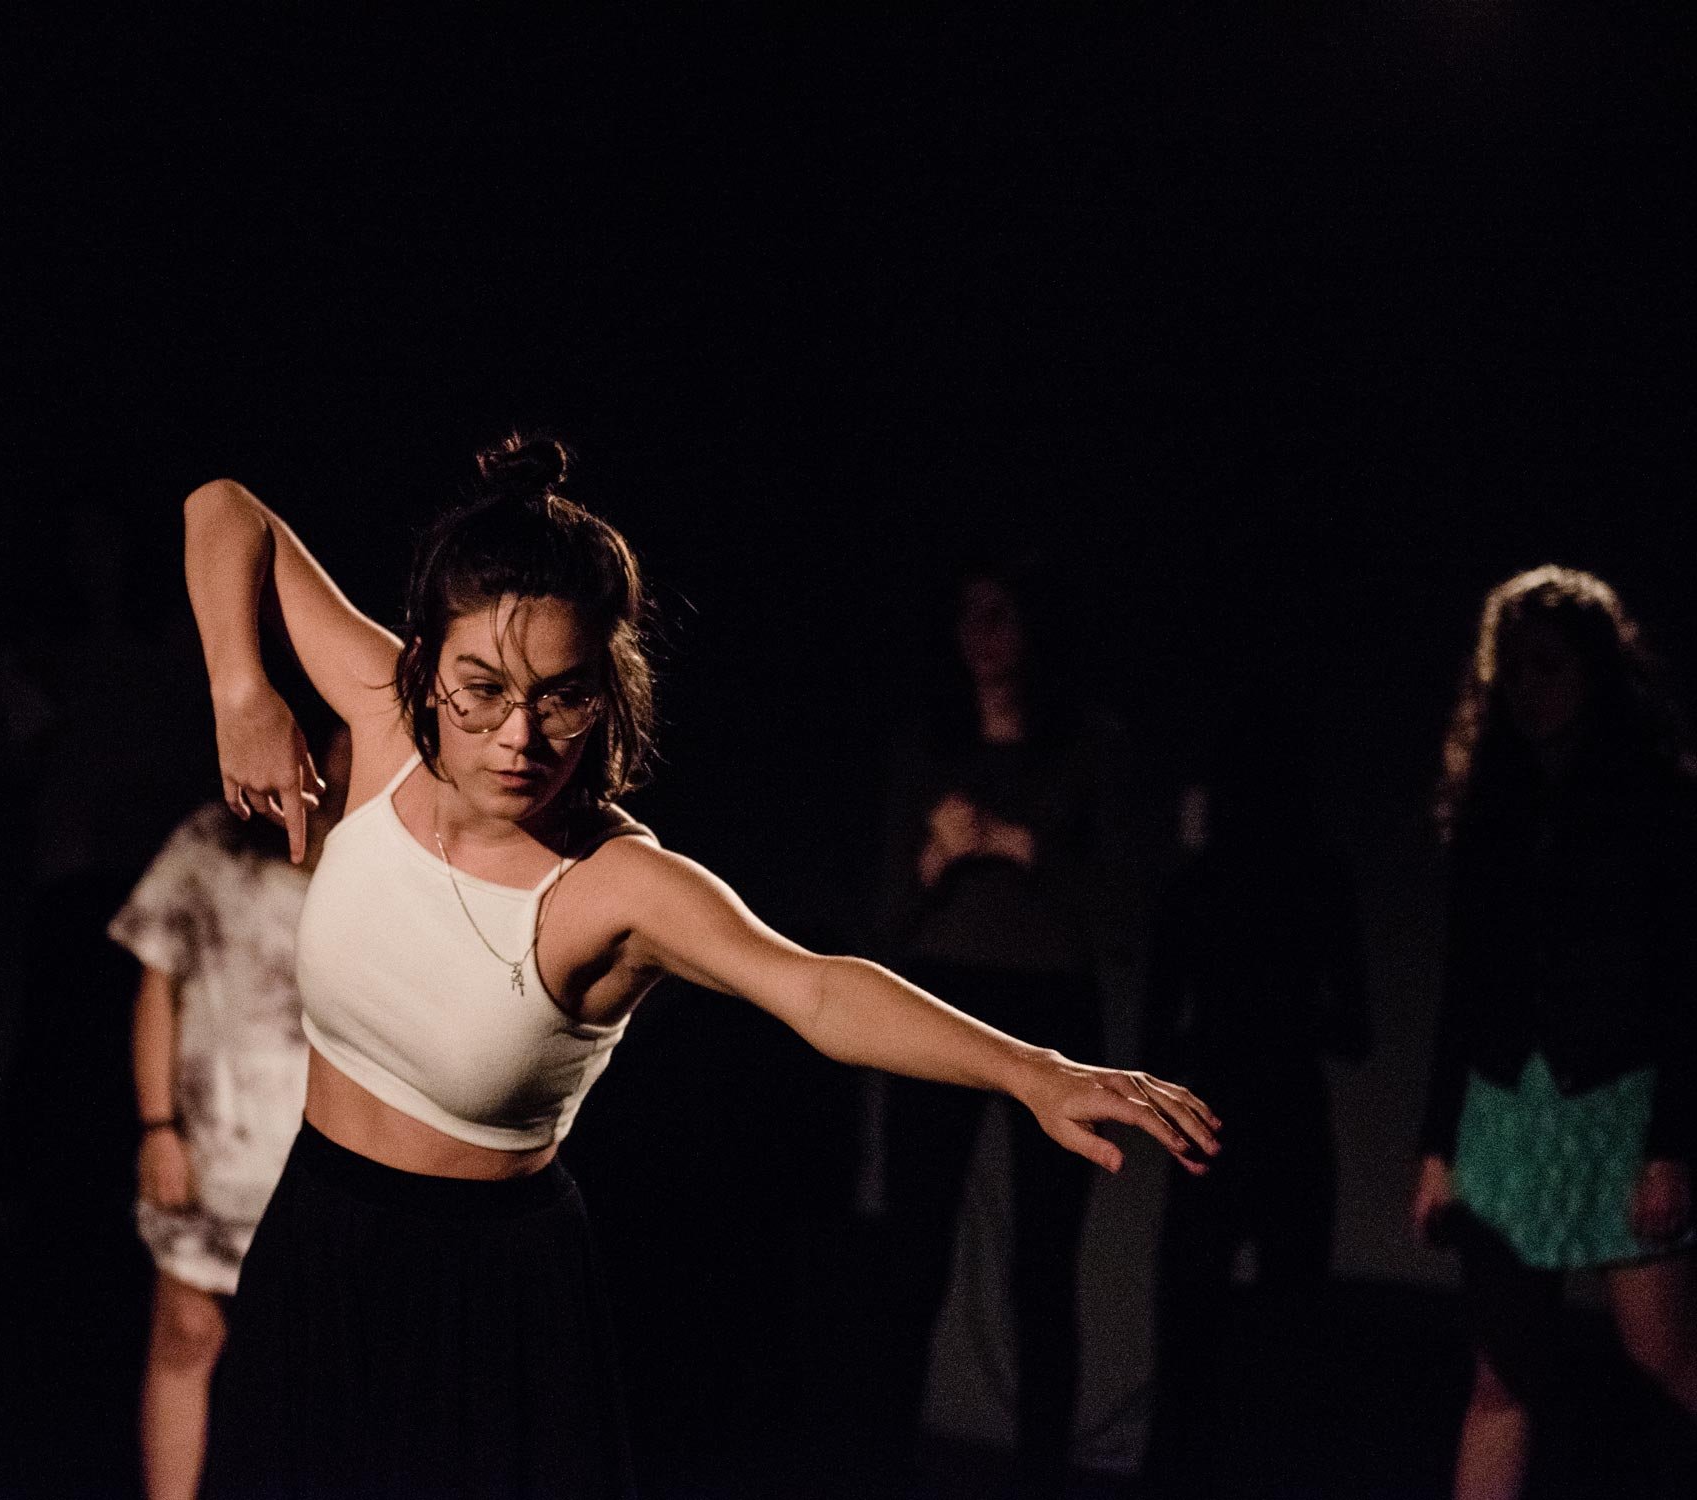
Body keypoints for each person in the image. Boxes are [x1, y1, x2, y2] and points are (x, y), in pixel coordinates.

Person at [181, 436, 1220, 1499]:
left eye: (564, 696)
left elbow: (815, 988)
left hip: (486, 1298)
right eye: (481, 688)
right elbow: (226, 508)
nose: (519, 736)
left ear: (608, 693)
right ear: (423, 665)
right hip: (313, 1237)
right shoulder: (384, 726)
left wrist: (1032, 1070)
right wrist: (242, 690)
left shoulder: (617, 886)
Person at [1411, 566, 1697, 1500]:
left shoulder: (1654, 805)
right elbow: (1465, 989)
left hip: (1615, 1100)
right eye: (1510, 670)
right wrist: (1437, 1148)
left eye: (1545, 667)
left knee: (1663, 1355)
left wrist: (1669, 1148)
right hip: (1501, 1110)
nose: (1524, 690)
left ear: (1594, 672)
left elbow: (1680, 986)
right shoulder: (1491, 808)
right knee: (1500, 1375)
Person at [867, 558, 1130, 1483]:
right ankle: (883, 1465)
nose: (983, 635)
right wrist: (940, 857)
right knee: (913, 1250)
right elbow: (887, 919)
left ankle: (1041, 1471)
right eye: (968, 616)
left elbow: (1117, 915)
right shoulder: (926, 747)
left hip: (1051, 1007)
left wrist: (1025, 847)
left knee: (1041, 1266)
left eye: (1001, 615)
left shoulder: (1086, 747)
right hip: (939, 1001)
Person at [116, 727, 351, 1500]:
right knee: (186, 1335)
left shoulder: (387, 865)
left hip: (329, 1156)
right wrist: (158, 1128)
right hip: (216, 1146)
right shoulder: (213, 842)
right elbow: (157, 983)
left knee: (321, 1363)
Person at [1142, 703, 1370, 1494]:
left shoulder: (1195, 884)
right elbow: (1355, 1027)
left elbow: (1152, 1033)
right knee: (1285, 1332)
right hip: (1286, 1116)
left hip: (1212, 1112)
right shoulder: (1319, 878)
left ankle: (1178, 1477)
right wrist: (1285, 1010)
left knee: (1191, 1330)